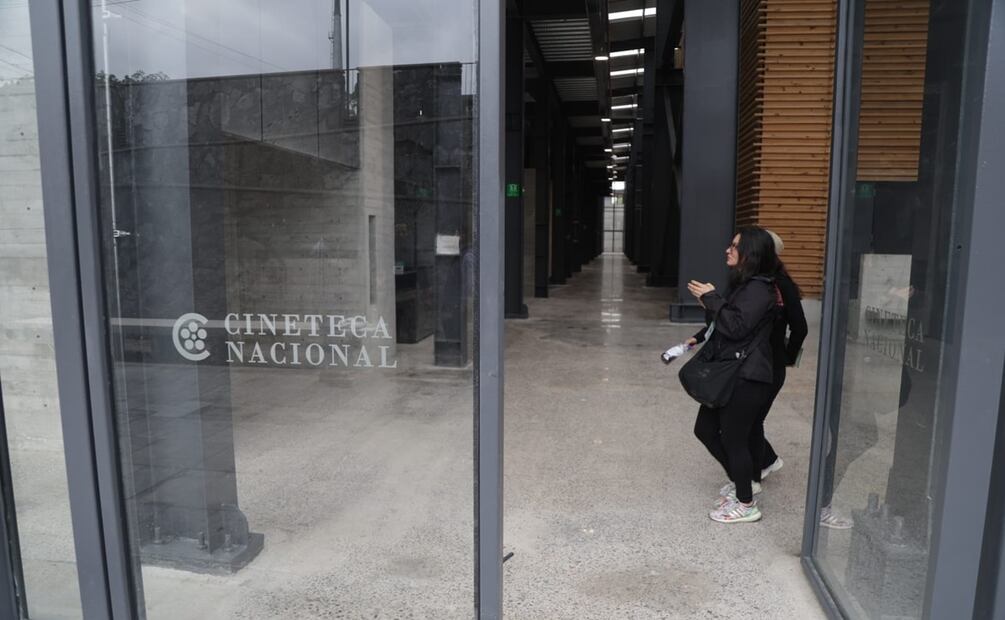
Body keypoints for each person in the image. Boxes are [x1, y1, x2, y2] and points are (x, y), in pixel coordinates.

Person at [687, 227, 781, 524]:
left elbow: (736, 328)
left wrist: (712, 298)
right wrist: (709, 302)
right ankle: (743, 484)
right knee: (705, 429)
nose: (728, 249)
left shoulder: (759, 289)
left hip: (747, 377)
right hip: (732, 374)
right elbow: (725, 325)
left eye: (735, 246)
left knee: (734, 440)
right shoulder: (745, 284)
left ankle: (746, 503)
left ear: (751, 252)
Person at [750, 230, 809, 485]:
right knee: (750, 419)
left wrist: (787, 357)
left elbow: (800, 327)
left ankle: (757, 470)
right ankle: (767, 460)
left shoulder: (780, 284)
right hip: (755, 362)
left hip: (770, 364)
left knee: (752, 419)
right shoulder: (753, 281)